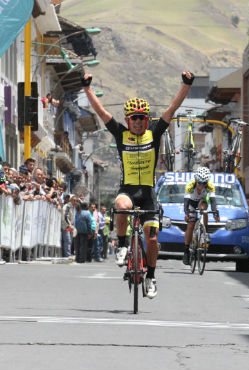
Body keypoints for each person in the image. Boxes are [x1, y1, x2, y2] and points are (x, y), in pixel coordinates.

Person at [81, 70, 195, 299]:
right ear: (127, 120)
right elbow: (101, 112)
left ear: (147, 119)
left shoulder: (154, 132)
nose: (138, 121)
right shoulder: (121, 134)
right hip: (128, 189)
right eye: (134, 117)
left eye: (143, 117)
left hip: (149, 193)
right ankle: (122, 245)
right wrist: (87, 88)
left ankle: (151, 276)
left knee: (152, 239)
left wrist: (186, 85)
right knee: (121, 206)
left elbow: (171, 110)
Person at [182, 167, 219, 265]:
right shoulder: (190, 185)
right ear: (196, 180)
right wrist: (186, 212)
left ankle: (204, 231)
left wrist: (215, 212)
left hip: (201, 202)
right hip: (191, 203)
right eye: (199, 183)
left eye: (204, 183)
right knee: (190, 224)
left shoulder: (210, 186)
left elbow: (213, 201)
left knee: (204, 209)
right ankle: (186, 250)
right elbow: (185, 203)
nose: (201, 186)